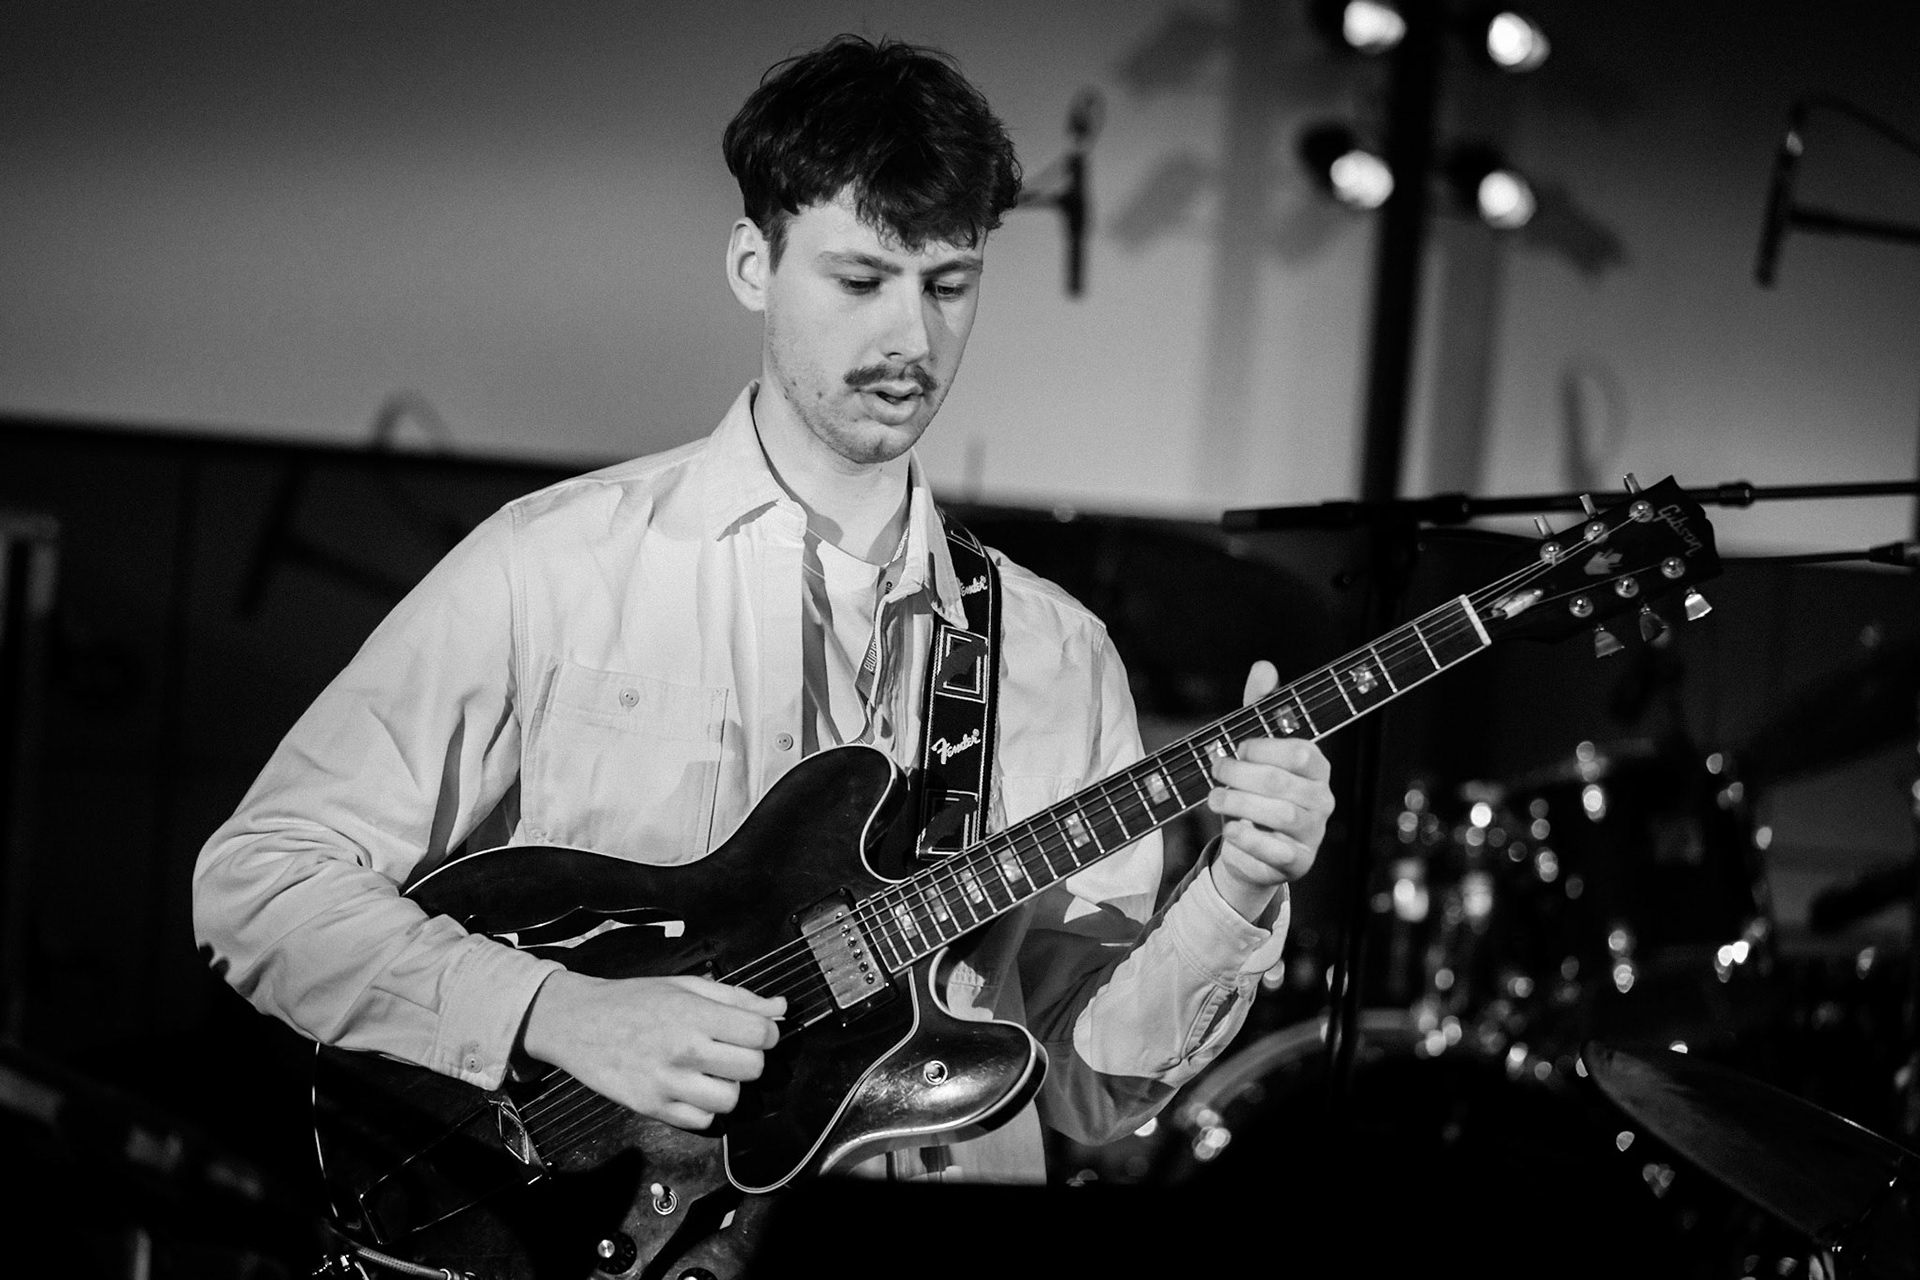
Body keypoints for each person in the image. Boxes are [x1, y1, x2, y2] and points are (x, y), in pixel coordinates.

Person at [192, 33, 1333, 1192]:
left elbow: (1087, 1087)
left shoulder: (1053, 651)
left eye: (949, 285)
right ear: (753, 263)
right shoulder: (557, 565)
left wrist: (1241, 885)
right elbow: (261, 882)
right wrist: (552, 1007)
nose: (912, 340)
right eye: (859, 281)